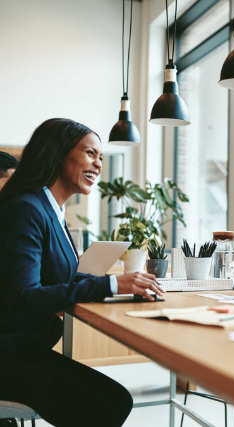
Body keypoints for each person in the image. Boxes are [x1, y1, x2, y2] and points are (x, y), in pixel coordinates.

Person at [0, 119, 165, 427]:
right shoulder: (26, 209)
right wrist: (113, 284)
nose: (98, 164)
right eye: (91, 153)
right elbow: (24, 297)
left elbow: (62, 276)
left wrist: (121, 284)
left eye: (101, 157)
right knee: (106, 408)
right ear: (58, 153)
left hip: (23, 347)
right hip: (9, 352)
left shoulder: (50, 210)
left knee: (118, 400)